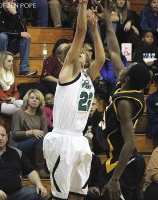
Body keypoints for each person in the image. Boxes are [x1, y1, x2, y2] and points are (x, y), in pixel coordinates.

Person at [42, 0, 105, 198]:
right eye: (75, 53)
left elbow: (101, 59)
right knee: (60, 195)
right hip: (62, 137)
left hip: (79, 139)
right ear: (66, 59)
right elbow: (79, 33)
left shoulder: (88, 75)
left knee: (79, 193)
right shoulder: (67, 73)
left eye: (83, 53)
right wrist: (83, 6)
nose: (80, 55)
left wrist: (95, 30)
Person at [95, 3, 150, 199]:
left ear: (128, 77)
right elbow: (115, 51)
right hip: (116, 158)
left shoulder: (126, 102)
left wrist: (116, 179)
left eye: (130, 66)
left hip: (125, 161)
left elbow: (130, 143)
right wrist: (108, 21)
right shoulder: (124, 82)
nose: (125, 65)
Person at [0, 125, 47, 200]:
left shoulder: (17, 152)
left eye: (3, 135)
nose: (0, 138)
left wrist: (39, 184)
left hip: (17, 192)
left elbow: (30, 171)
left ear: (7, 138)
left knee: (39, 194)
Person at [0, 0, 36, 76]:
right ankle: (2, 68)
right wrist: (18, 34)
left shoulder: (15, 14)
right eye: (9, 1)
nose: (12, 3)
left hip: (7, 46)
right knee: (3, 36)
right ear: (3, 2)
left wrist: (15, 14)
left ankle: (24, 70)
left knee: (25, 38)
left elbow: (24, 31)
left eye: (14, 1)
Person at [10, 89, 49, 178]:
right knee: (40, 139)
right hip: (18, 144)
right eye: (32, 98)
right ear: (27, 100)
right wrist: (32, 132)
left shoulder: (41, 115)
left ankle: (38, 168)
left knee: (45, 139)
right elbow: (15, 134)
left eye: (37, 98)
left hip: (36, 143)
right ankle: (40, 169)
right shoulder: (19, 112)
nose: (34, 100)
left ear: (40, 102)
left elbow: (45, 133)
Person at [0, 51, 23, 116]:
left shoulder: (11, 74)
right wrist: (7, 99)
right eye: (9, 61)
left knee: (24, 104)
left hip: (10, 100)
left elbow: (16, 92)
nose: (12, 63)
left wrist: (14, 98)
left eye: (12, 61)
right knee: (16, 110)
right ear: (2, 61)